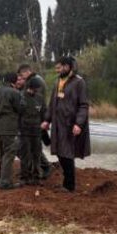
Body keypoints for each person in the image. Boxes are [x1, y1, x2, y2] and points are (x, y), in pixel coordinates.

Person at [41, 56, 90, 192]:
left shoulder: (79, 82)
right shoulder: (58, 81)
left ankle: (69, 185)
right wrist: (47, 120)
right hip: (57, 124)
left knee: (67, 153)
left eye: (59, 67)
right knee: (60, 153)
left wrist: (78, 124)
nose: (57, 70)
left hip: (70, 125)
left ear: (67, 67)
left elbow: (83, 105)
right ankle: (66, 183)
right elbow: (52, 104)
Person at [18, 64, 52, 180]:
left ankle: (43, 168)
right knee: (32, 148)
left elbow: (38, 102)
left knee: (34, 149)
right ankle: (34, 170)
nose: (21, 79)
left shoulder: (35, 82)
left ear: (27, 72)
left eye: (22, 76)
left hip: (35, 120)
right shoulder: (35, 80)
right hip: (33, 120)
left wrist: (45, 120)